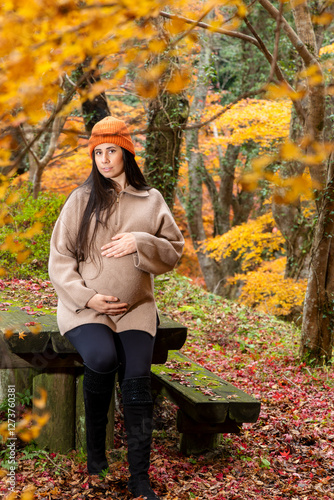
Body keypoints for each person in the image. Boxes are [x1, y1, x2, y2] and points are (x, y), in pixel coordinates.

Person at [48, 116, 184, 500]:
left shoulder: (151, 200)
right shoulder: (81, 199)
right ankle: (96, 459)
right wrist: (86, 297)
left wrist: (140, 241)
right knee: (103, 358)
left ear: (127, 152)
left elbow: (174, 251)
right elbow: (59, 258)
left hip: (136, 307)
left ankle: (139, 478)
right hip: (86, 308)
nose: (105, 159)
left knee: (137, 378)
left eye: (112, 150)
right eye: (98, 152)